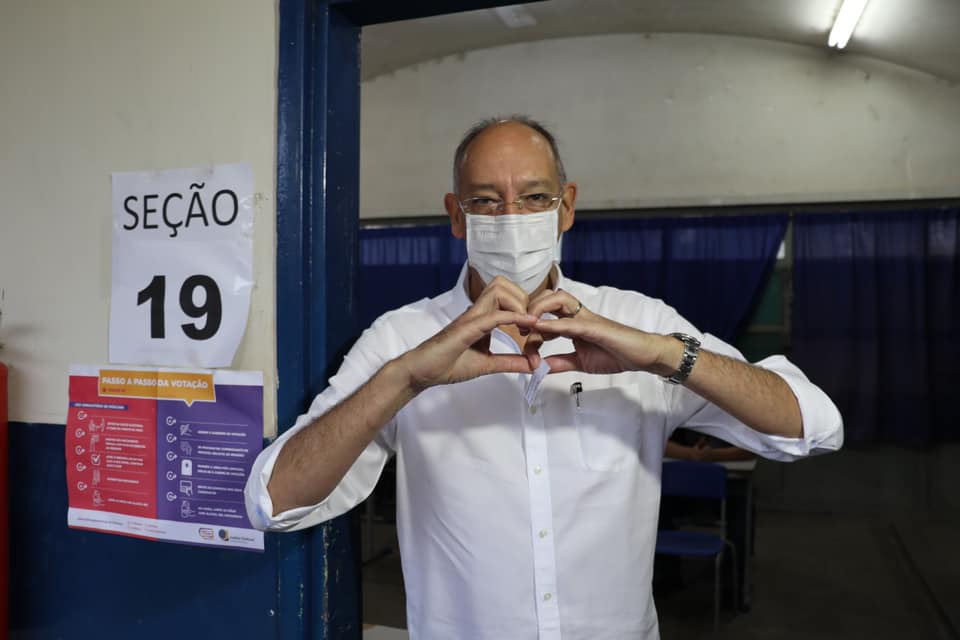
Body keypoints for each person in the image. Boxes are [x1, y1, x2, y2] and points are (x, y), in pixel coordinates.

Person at [244, 116, 843, 639]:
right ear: (456, 215)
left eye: (533, 197)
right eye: (486, 200)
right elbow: (273, 500)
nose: (512, 217)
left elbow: (812, 426)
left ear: (567, 206)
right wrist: (404, 379)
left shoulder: (641, 323)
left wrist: (663, 356)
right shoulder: (402, 339)